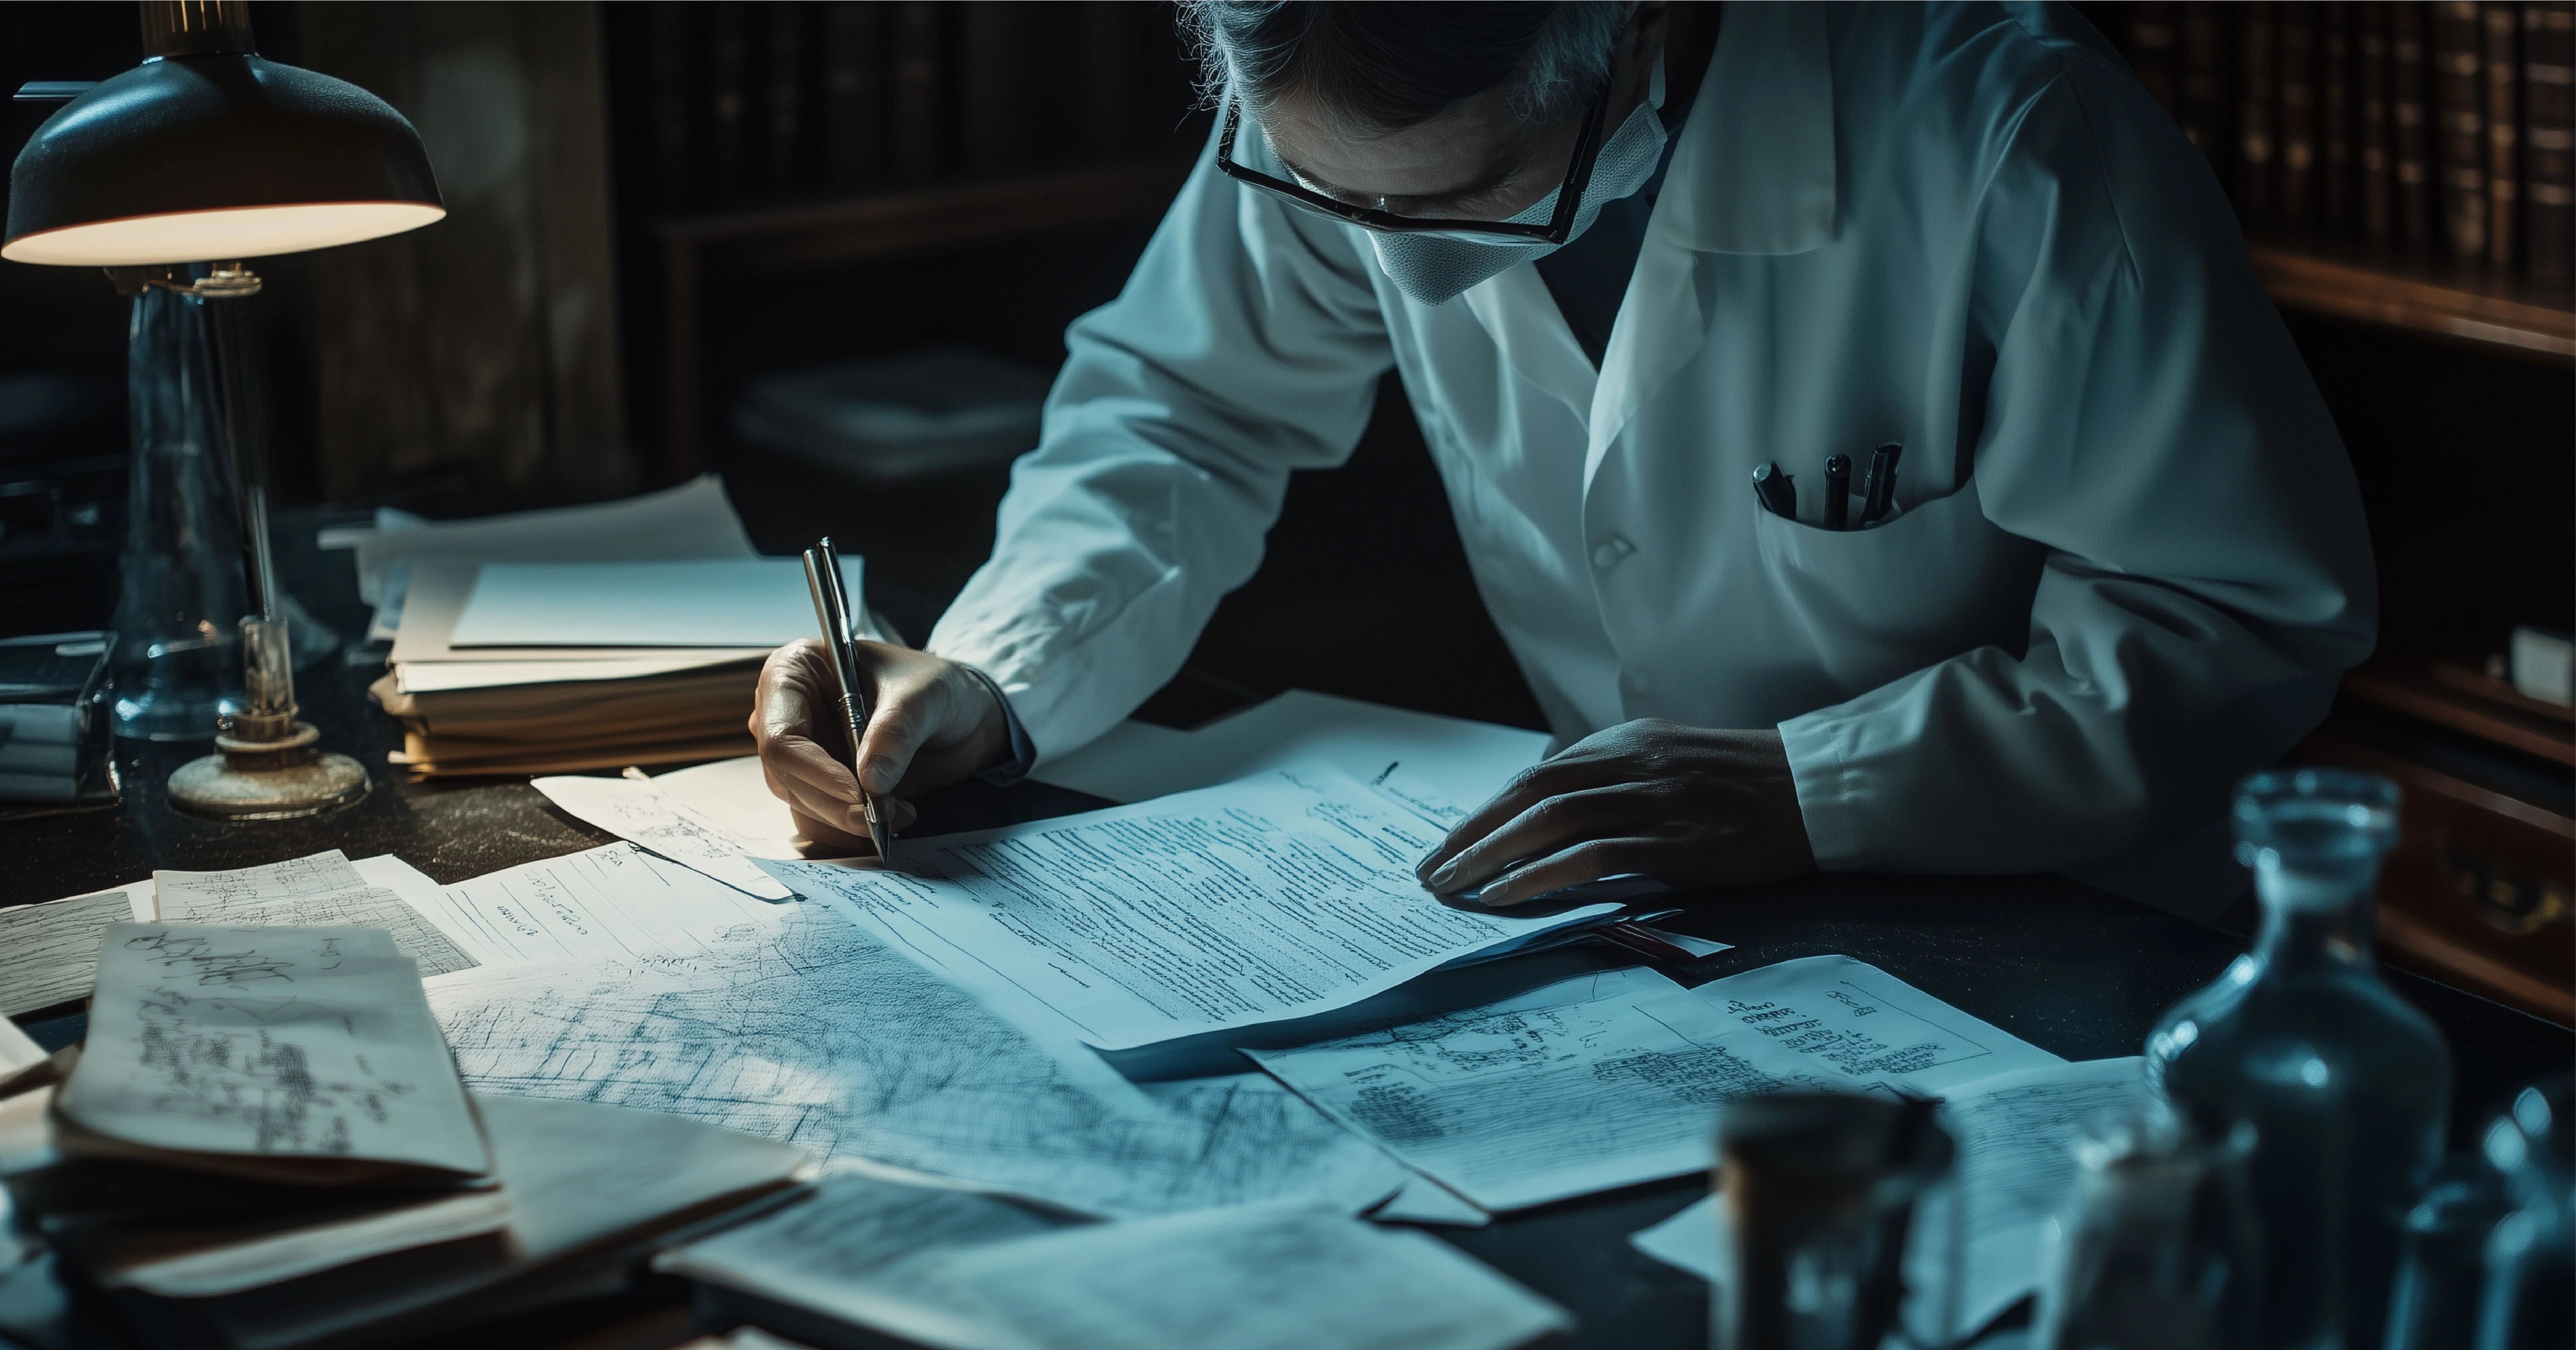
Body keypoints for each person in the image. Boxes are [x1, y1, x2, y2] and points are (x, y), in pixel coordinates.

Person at [753, 2, 2373, 923]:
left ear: (1638, 33)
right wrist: (996, 672)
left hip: (2030, 920)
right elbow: (1193, 405)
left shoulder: (2006, 132)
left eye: (1479, 197)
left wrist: (1816, 791)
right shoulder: (1338, 101)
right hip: (1622, 922)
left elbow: (2228, 617)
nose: (1406, 269)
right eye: (1334, 202)